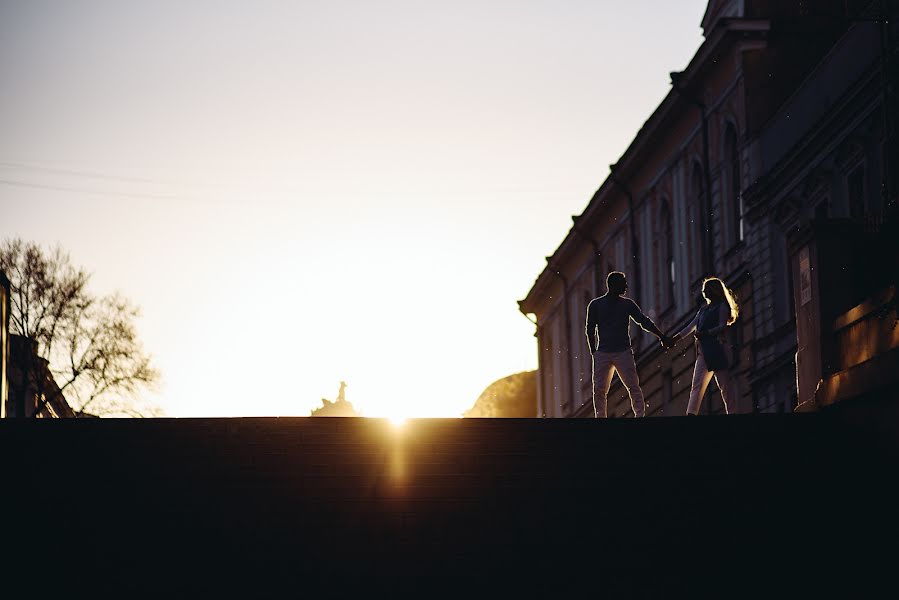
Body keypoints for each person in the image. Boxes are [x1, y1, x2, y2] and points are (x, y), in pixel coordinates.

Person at [585, 271, 672, 418]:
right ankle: (601, 417)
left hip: (622, 352)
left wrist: (661, 336)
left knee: (632, 385)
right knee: (601, 389)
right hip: (606, 353)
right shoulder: (596, 305)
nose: (626, 286)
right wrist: (594, 352)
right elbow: (590, 328)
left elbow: (644, 321)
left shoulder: (626, 304)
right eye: (623, 283)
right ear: (613, 285)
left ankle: (639, 415)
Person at [672, 277, 739, 415]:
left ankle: (732, 412)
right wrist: (674, 339)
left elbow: (722, 326)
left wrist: (706, 333)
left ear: (714, 290)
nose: (703, 291)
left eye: (707, 289)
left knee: (724, 385)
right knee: (697, 384)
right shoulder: (703, 310)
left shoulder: (722, 306)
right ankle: (691, 413)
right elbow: (690, 327)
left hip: (717, 349)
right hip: (704, 352)